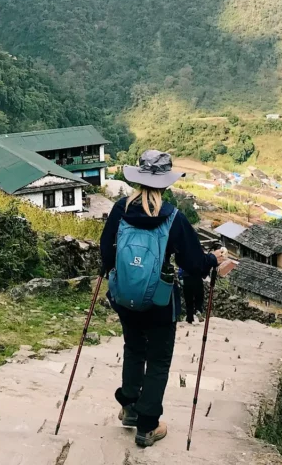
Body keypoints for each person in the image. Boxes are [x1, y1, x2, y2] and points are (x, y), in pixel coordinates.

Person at [99, 150, 225, 448]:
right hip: (159, 302)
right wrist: (213, 259)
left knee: (133, 349)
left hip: (125, 298)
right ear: (165, 183)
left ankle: (129, 408)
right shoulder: (173, 218)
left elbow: (106, 253)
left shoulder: (120, 209)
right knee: (157, 361)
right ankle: (147, 426)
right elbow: (194, 264)